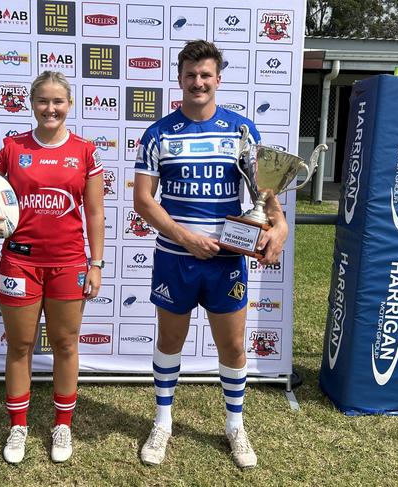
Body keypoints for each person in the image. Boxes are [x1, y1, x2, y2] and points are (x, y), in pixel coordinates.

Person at [133, 40, 288, 469]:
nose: (198, 82)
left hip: (227, 260)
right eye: (190, 75)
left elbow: (265, 191)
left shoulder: (242, 130)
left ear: (218, 79)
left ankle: (235, 425)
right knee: (169, 341)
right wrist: (185, 237)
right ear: (179, 78)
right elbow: (144, 202)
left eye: (206, 75)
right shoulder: (159, 133)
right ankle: (162, 421)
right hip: (175, 257)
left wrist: (281, 224)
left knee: (234, 345)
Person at [0, 71, 105, 464]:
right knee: (20, 346)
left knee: (65, 345)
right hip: (20, 262)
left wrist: (97, 263)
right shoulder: (11, 148)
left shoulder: (86, 151)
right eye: (43, 101)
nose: (51, 108)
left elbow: (94, 212)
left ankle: (62, 425)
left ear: (69, 105)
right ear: (32, 103)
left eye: (58, 101)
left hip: (69, 263)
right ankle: (19, 426)